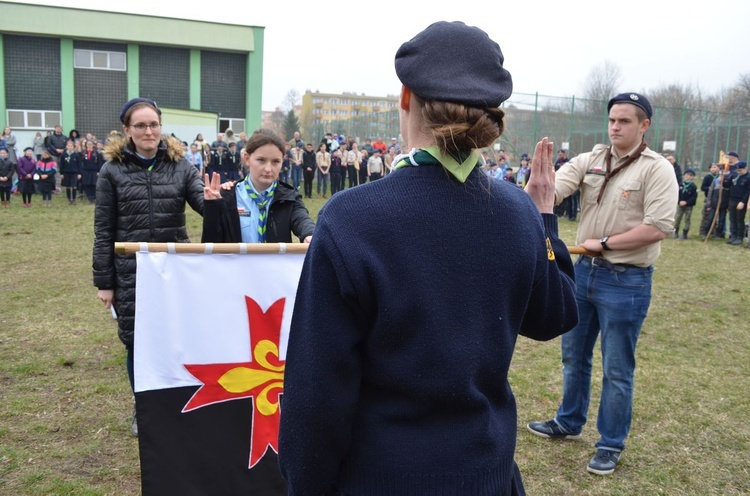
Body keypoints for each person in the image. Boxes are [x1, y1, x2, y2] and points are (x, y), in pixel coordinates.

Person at [278, 21, 578, 495]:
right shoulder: (518, 211)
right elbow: (555, 315)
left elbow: (315, 398)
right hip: (487, 475)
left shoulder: (353, 218)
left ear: (405, 97)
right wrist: (545, 219)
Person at [527, 92, 679, 476]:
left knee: (617, 368)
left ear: (644, 126)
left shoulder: (656, 169)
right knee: (573, 356)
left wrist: (607, 244)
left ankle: (610, 443)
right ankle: (568, 420)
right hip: (583, 273)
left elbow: (658, 228)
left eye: (625, 121)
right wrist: (538, 185)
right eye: (612, 120)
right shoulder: (591, 159)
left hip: (626, 280)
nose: (615, 127)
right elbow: (554, 190)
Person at [92, 97, 204, 436]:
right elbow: (103, 230)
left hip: (174, 270)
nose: (148, 131)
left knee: (176, 339)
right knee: (137, 343)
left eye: (153, 124)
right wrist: (104, 281)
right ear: (127, 130)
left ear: (161, 126)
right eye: (139, 125)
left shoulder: (181, 165)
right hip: (132, 272)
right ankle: (144, 409)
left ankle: (178, 402)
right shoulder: (111, 171)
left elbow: (201, 201)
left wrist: (216, 201)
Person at [201, 128, 314, 244]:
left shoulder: (289, 197)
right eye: (261, 160)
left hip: (274, 262)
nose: (268, 169)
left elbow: (302, 219)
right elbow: (211, 244)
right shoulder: (228, 195)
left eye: (275, 162)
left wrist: (309, 233)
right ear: (247, 159)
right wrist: (212, 209)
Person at [727, 161, 750, 245]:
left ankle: (740, 237)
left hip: (741, 201)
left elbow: (748, 191)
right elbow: (728, 184)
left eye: (740, 170)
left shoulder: (748, 178)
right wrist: (723, 180)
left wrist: (743, 202)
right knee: (732, 218)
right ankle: (733, 235)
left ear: (745, 168)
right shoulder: (735, 176)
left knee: (739, 219)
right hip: (732, 199)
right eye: (737, 170)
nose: (738, 172)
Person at [673, 168, 698, 239]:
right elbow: (677, 194)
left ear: (692, 177)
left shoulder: (693, 186)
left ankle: (685, 233)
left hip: (688, 206)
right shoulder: (680, 184)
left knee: (687, 219)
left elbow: (694, 197)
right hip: (680, 205)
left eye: (690, 175)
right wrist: (679, 201)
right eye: (686, 175)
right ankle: (676, 231)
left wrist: (686, 202)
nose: (688, 176)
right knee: (678, 218)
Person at [59, 140, 82, 205]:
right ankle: (69, 199)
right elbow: (61, 165)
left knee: (74, 186)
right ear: (66, 147)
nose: (70, 147)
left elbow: (79, 165)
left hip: (74, 172)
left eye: (71, 146)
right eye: (68, 146)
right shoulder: (64, 155)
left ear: (73, 147)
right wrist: (61, 173)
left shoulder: (76, 155)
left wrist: (79, 173)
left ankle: (74, 199)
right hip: (66, 173)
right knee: (68, 186)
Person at [81, 140, 103, 204]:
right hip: (86, 171)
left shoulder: (97, 153)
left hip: (94, 171)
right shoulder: (84, 153)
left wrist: (99, 171)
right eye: (88, 144)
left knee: (94, 184)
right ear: (86, 145)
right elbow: (81, 162)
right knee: (87, 184)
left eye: (91, 144)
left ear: (93, 145)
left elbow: (99, 163)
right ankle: (89, 197)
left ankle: (94, 197)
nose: (89, 145)